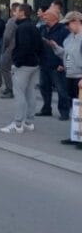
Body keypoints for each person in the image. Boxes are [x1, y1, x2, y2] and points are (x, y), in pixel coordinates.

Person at [0, 4, 43, 134]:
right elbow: (39, 46)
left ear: (22, 12)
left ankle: (18, 123)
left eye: (16, 11)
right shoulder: (33, 26)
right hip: (34, 64)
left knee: (19, 94)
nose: (14, 13)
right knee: (30, 93)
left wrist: (17, 62)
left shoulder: (22, 28)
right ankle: (29, 122)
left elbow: (23, 47)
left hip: (23, 65)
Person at [51, 11, 82, 148]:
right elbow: (67, 54)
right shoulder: (69, 38)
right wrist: (56, 48)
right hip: (70, 75)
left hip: (79, 77)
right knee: (76, 109)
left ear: (76, 21)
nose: (67, 27)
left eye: (68, 24)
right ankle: (76, 135)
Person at [37, 8, 71, 120]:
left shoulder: (64, 30)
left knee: (61, 90)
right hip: (44, 63)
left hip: (57, 65)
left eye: (47, 15)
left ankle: (64, 112)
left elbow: (68, 49)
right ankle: (46, 108)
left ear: (55, 17)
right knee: (44, 87)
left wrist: (63, 63)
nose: (44, 16)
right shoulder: (42, 29)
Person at [0, 3, 21, 99]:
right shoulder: (22, 21)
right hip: (18, 48)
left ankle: (10, 89)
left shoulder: (12, 21)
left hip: (10, 48)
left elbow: (7, 36)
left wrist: (4, 48)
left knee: (4, 68)